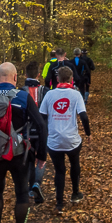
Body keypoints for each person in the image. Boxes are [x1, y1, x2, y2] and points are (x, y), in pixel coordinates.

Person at [0, 62, 47, 223]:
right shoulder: (22, 96)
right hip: (19, 153)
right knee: (21, 192)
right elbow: (41, 126)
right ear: (15, 77)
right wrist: (41, 155)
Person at [39, 65, 91, 213]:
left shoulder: (49, 95)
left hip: (54, 141)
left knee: (59, 170)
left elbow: (42, 117)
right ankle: (75, 193)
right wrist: (88, 134)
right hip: (72, 140)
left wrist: (45, 135)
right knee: (75, 164)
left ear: (57, 79)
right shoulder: (75, 95)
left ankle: (59, 204)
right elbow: (84, 117)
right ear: (71, 79)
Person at [22, 61, 48, 204]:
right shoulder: (45, 91)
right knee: (41, 160)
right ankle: (36, 184)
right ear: (39, 74)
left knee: (28, 159)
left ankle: (29, 188)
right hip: (42, 130)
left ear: (25, 74)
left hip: (25, 131)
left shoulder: (20, 91)